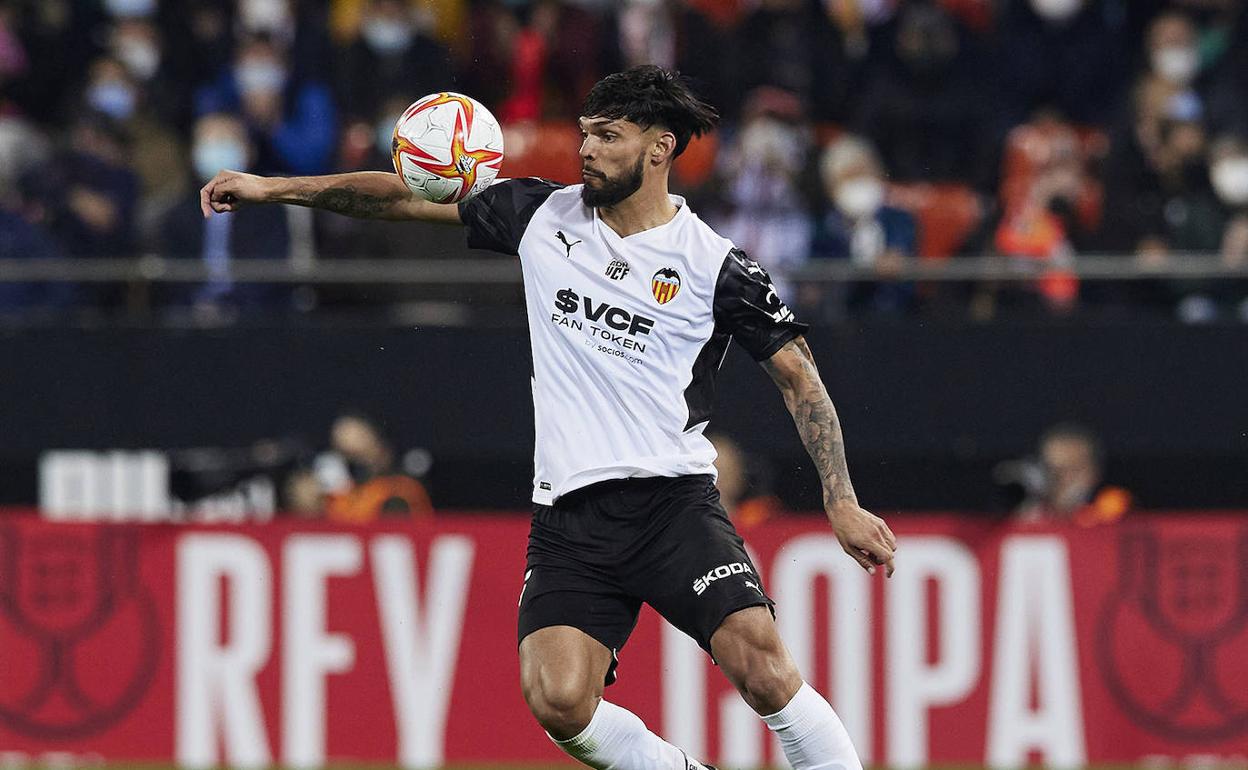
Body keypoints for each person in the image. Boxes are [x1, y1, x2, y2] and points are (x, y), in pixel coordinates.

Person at [200, 65, 897, 770]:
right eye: (585, 134)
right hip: (568, 518)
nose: (587, 150)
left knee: (764, 668)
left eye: (608, 136)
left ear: (659, 148)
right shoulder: (541, 215)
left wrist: (840, 500)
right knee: (557, 699)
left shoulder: (715, 266)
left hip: (672, 505)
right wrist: (271, 189)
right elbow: (402, 200)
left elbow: (800, 377)